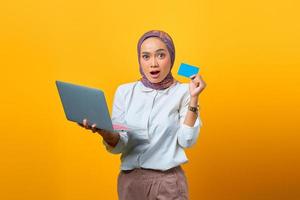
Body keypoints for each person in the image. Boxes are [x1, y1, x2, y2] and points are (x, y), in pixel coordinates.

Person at [78, 30, 206, 200]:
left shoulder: (184, 92)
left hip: (168, 184)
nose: (153, 63)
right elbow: (120, 145)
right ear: (139, 59)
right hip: (131, 184)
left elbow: (187, 141)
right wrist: (103, 131)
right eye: (146, 56)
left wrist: (194, 98)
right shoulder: (124, 92)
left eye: (160, 55)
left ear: (171, 57)